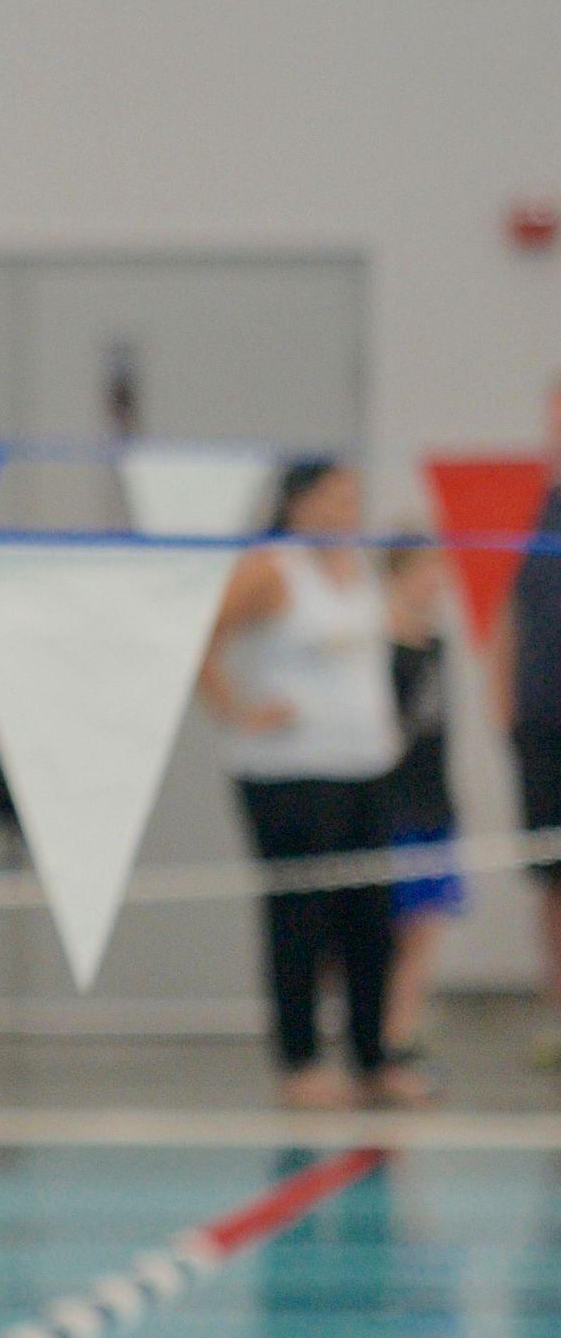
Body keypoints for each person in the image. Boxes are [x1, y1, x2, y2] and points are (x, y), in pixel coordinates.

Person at [198, 457, 409, 1108]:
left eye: (354, 499)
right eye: (335, 500)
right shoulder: (271, 569)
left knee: (372, 921)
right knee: (300, 919)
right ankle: (299, 1059)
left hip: (365, 767)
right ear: (298, 502)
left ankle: (372, 1056)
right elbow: (199, 635)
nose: (348, 513)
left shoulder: (357, 568)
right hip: (289, 773)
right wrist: (237, 708)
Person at [485, 398, 561, 1067]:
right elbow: (506, 613)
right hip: (541, 724)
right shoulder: (530, 513)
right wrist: (501, 700)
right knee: (551, 879)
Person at [381, 538, 461, 1086]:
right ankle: (383, 1036)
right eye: (424, 570)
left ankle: (401, 1033)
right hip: (392, 804)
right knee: (392, 929)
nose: (434, 581)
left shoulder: (438, 643)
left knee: (424, 928)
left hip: (432, 799)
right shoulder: (379, 645)